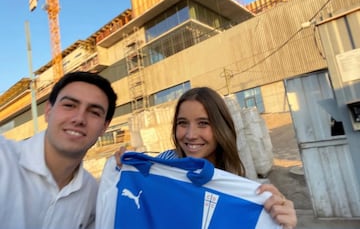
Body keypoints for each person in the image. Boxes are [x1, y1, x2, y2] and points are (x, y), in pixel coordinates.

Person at [114, 86, 297, 229]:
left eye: (203, 123)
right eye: (182, 123)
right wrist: (125, 171)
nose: (191, 134)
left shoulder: (237, 184)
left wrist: (277, 222)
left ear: (221, 128)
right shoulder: (158, 170)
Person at [0, 71, 117, 229]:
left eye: (94, 112)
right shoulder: (4, 159)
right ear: (48, 111)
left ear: (104, 126)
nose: (79, 119)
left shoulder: (93, 195)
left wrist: (125, 180)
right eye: (69, 105)